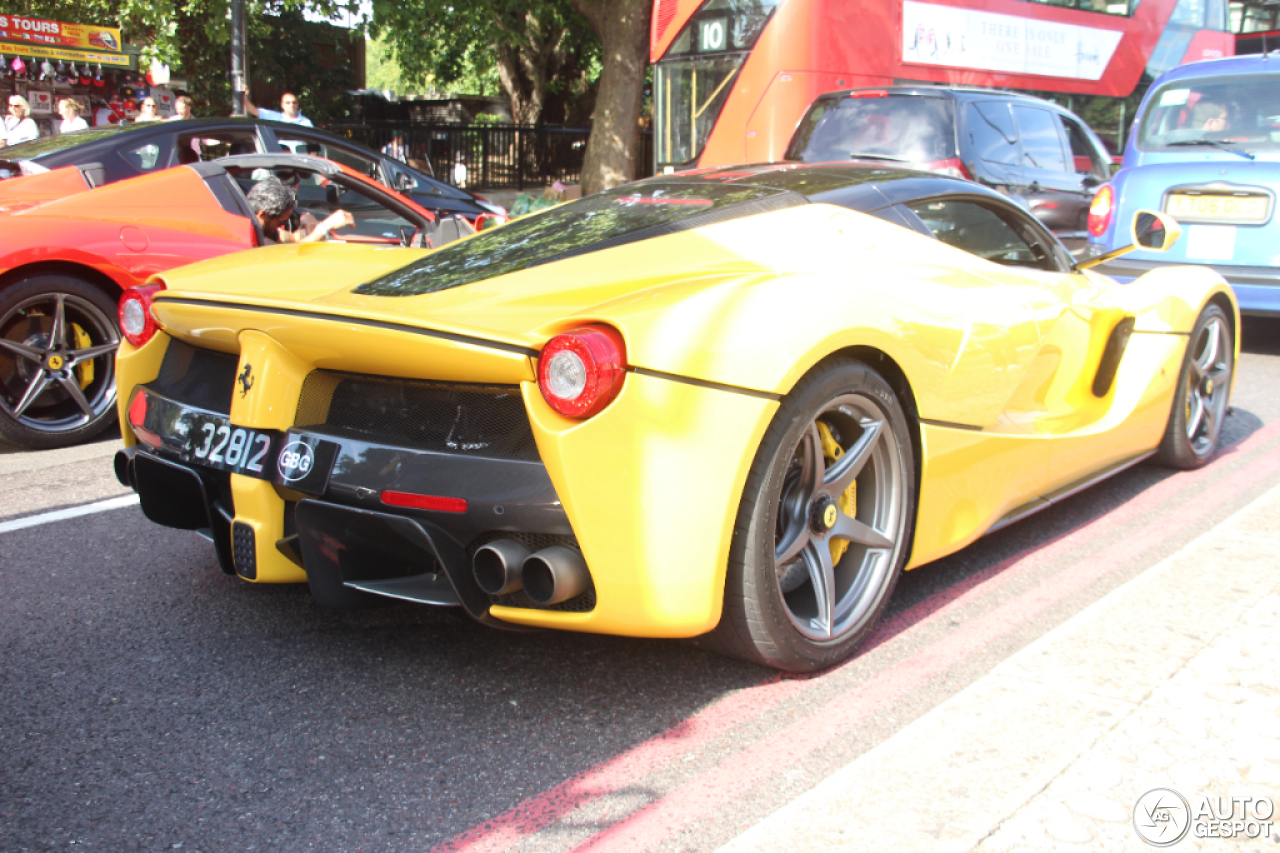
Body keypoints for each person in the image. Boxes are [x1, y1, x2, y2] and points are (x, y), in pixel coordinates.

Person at [245, 177, 353, 245]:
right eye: (281, 221)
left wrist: (308, 223)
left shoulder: (262, 226)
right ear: (263, 214)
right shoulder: (248, 236)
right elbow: (294, 253)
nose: (280, 226)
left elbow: (293, 238)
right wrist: (324, 227)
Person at [243, 92, 313, 127]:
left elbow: (313, 144)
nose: (291, 105)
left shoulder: (306, 122)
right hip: (279, 154)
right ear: (282, 105)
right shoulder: (274, 117)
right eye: (288, 103)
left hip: (298, 155)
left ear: (297, 104)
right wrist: (244, 96)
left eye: (294, 102)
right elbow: (253, 110)